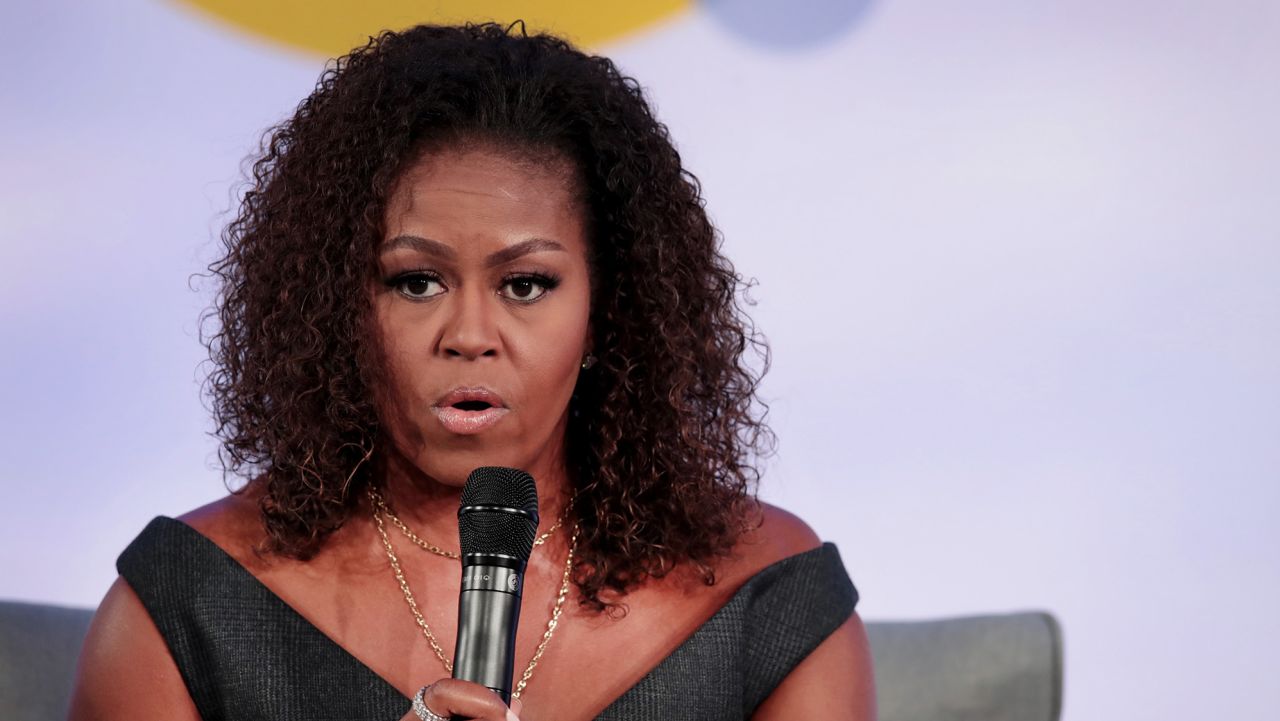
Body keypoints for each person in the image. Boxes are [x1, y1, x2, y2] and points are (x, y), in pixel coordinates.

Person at [67, 22, 875, 721]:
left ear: (608, 309)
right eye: (416, 281)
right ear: (339, 303)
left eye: (526, 285)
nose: (469, 335)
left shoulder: (768, 600)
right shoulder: (188, 607)